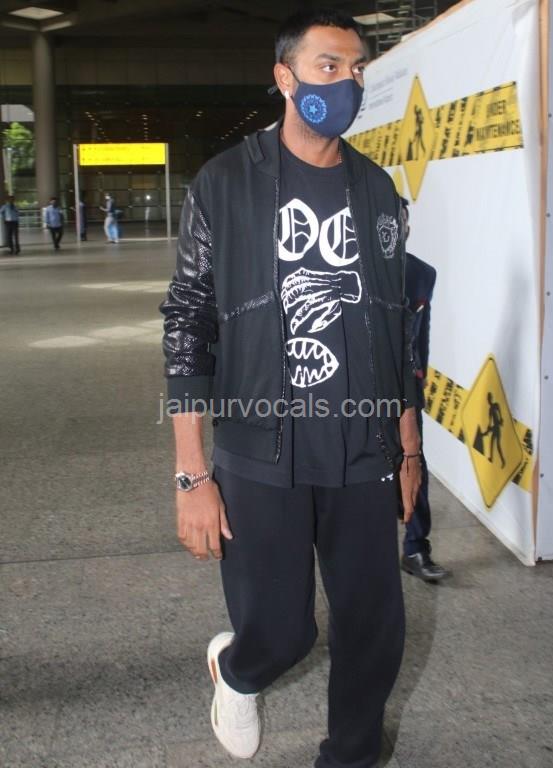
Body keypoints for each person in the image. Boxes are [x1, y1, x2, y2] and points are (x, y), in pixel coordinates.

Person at [158, 9, 422, 768]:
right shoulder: (226, 183)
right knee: (282, 631)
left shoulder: (378, 191)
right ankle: (238, 670)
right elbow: (188, 323)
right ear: (284, 76)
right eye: (328, 67)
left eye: (357, 69)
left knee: (374, 630)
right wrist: (191, 475)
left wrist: (408, 451)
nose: (347, 83)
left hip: (363, 450)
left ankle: (351, 756)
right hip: (260, 450)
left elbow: (398, 328)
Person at [397, 197, 451, 583]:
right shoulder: (352, 269)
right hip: (357, 390)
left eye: (399, 222)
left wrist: (420, 378)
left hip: (406, 388)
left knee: (415, 463)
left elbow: (421, 333)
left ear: (407, 229)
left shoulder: (421, 274)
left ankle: (416, 548)